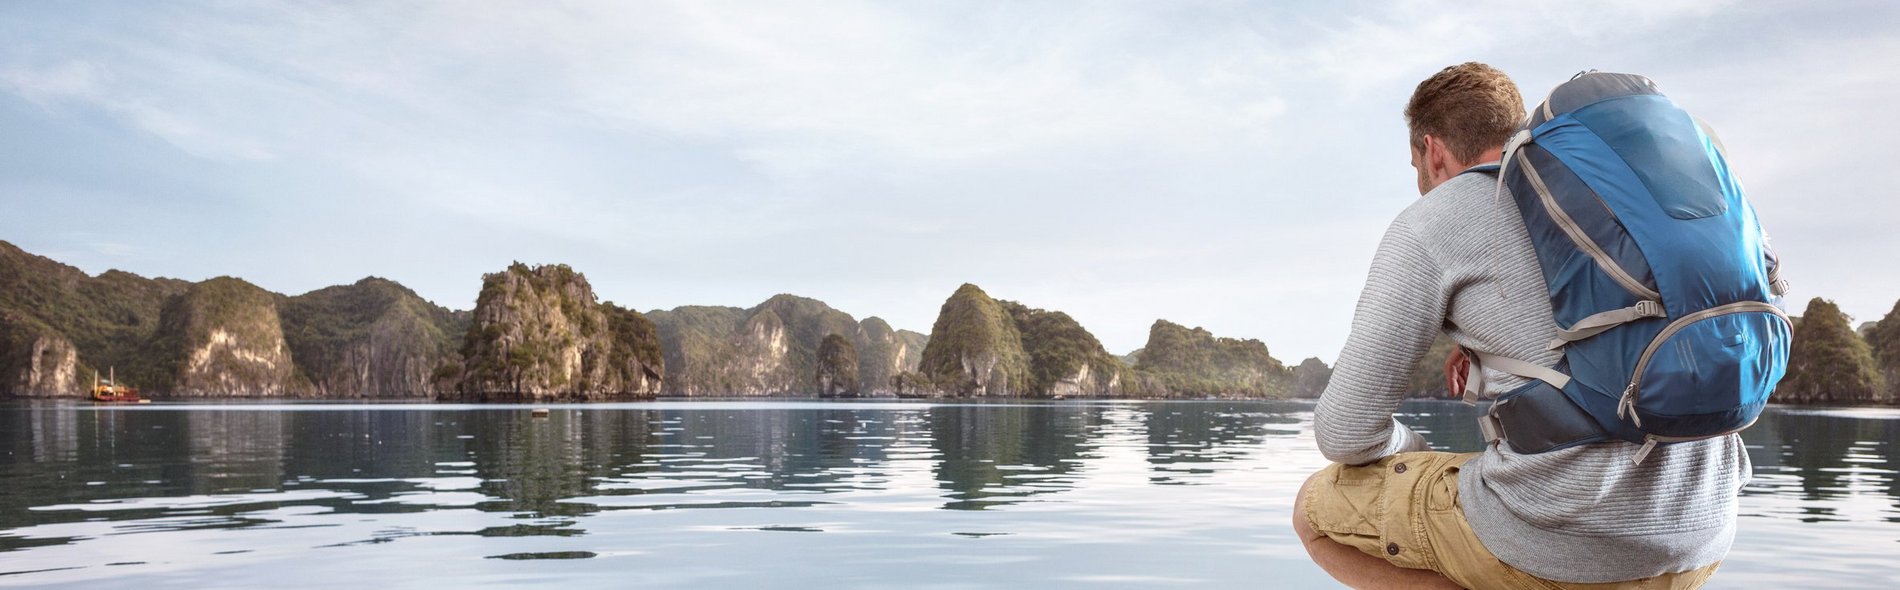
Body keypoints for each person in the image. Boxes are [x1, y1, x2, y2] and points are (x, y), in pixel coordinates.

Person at [1291, 62, 1749, 589]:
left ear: (1431, 150)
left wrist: (1422, 454)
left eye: (1414, 162)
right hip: (1702, 534)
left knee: (1315, 509)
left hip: (1559, 545)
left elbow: (1345, 431)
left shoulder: (1436, 217)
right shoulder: (1611, 202)